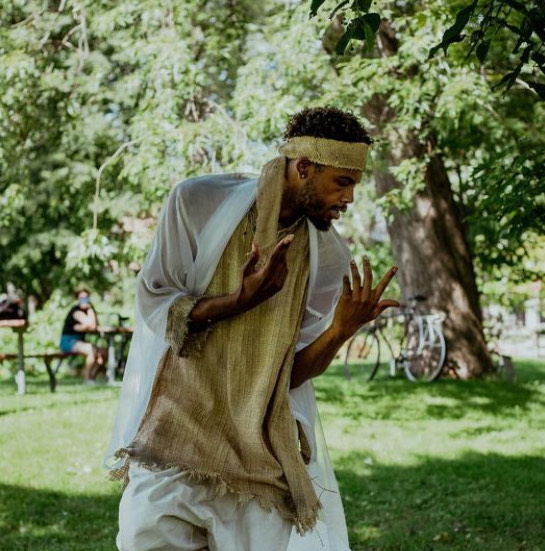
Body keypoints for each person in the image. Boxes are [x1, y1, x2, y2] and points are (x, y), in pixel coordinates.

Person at [105, 106, 399, 551]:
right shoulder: (196, 203)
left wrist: (340, 329)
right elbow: (154, 301)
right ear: (304, 168)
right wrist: (239, 301)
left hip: (259, 461)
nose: (350, 199)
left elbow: (288, 375)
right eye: (343, 182)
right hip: (176, 439)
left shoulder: (329, 258)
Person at [59, 287, 103, 384]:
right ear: (78, 299)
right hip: (68, 342)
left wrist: (90, 311)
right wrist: (89, 322)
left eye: (87, 298)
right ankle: (87, 379)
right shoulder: (76, 311)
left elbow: (94, 326)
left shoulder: (88, 310)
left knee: (103, 353)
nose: (85, 301)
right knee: (91, 349)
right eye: (82, 298)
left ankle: (92, 378)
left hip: (79, 342)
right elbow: (92, 325)